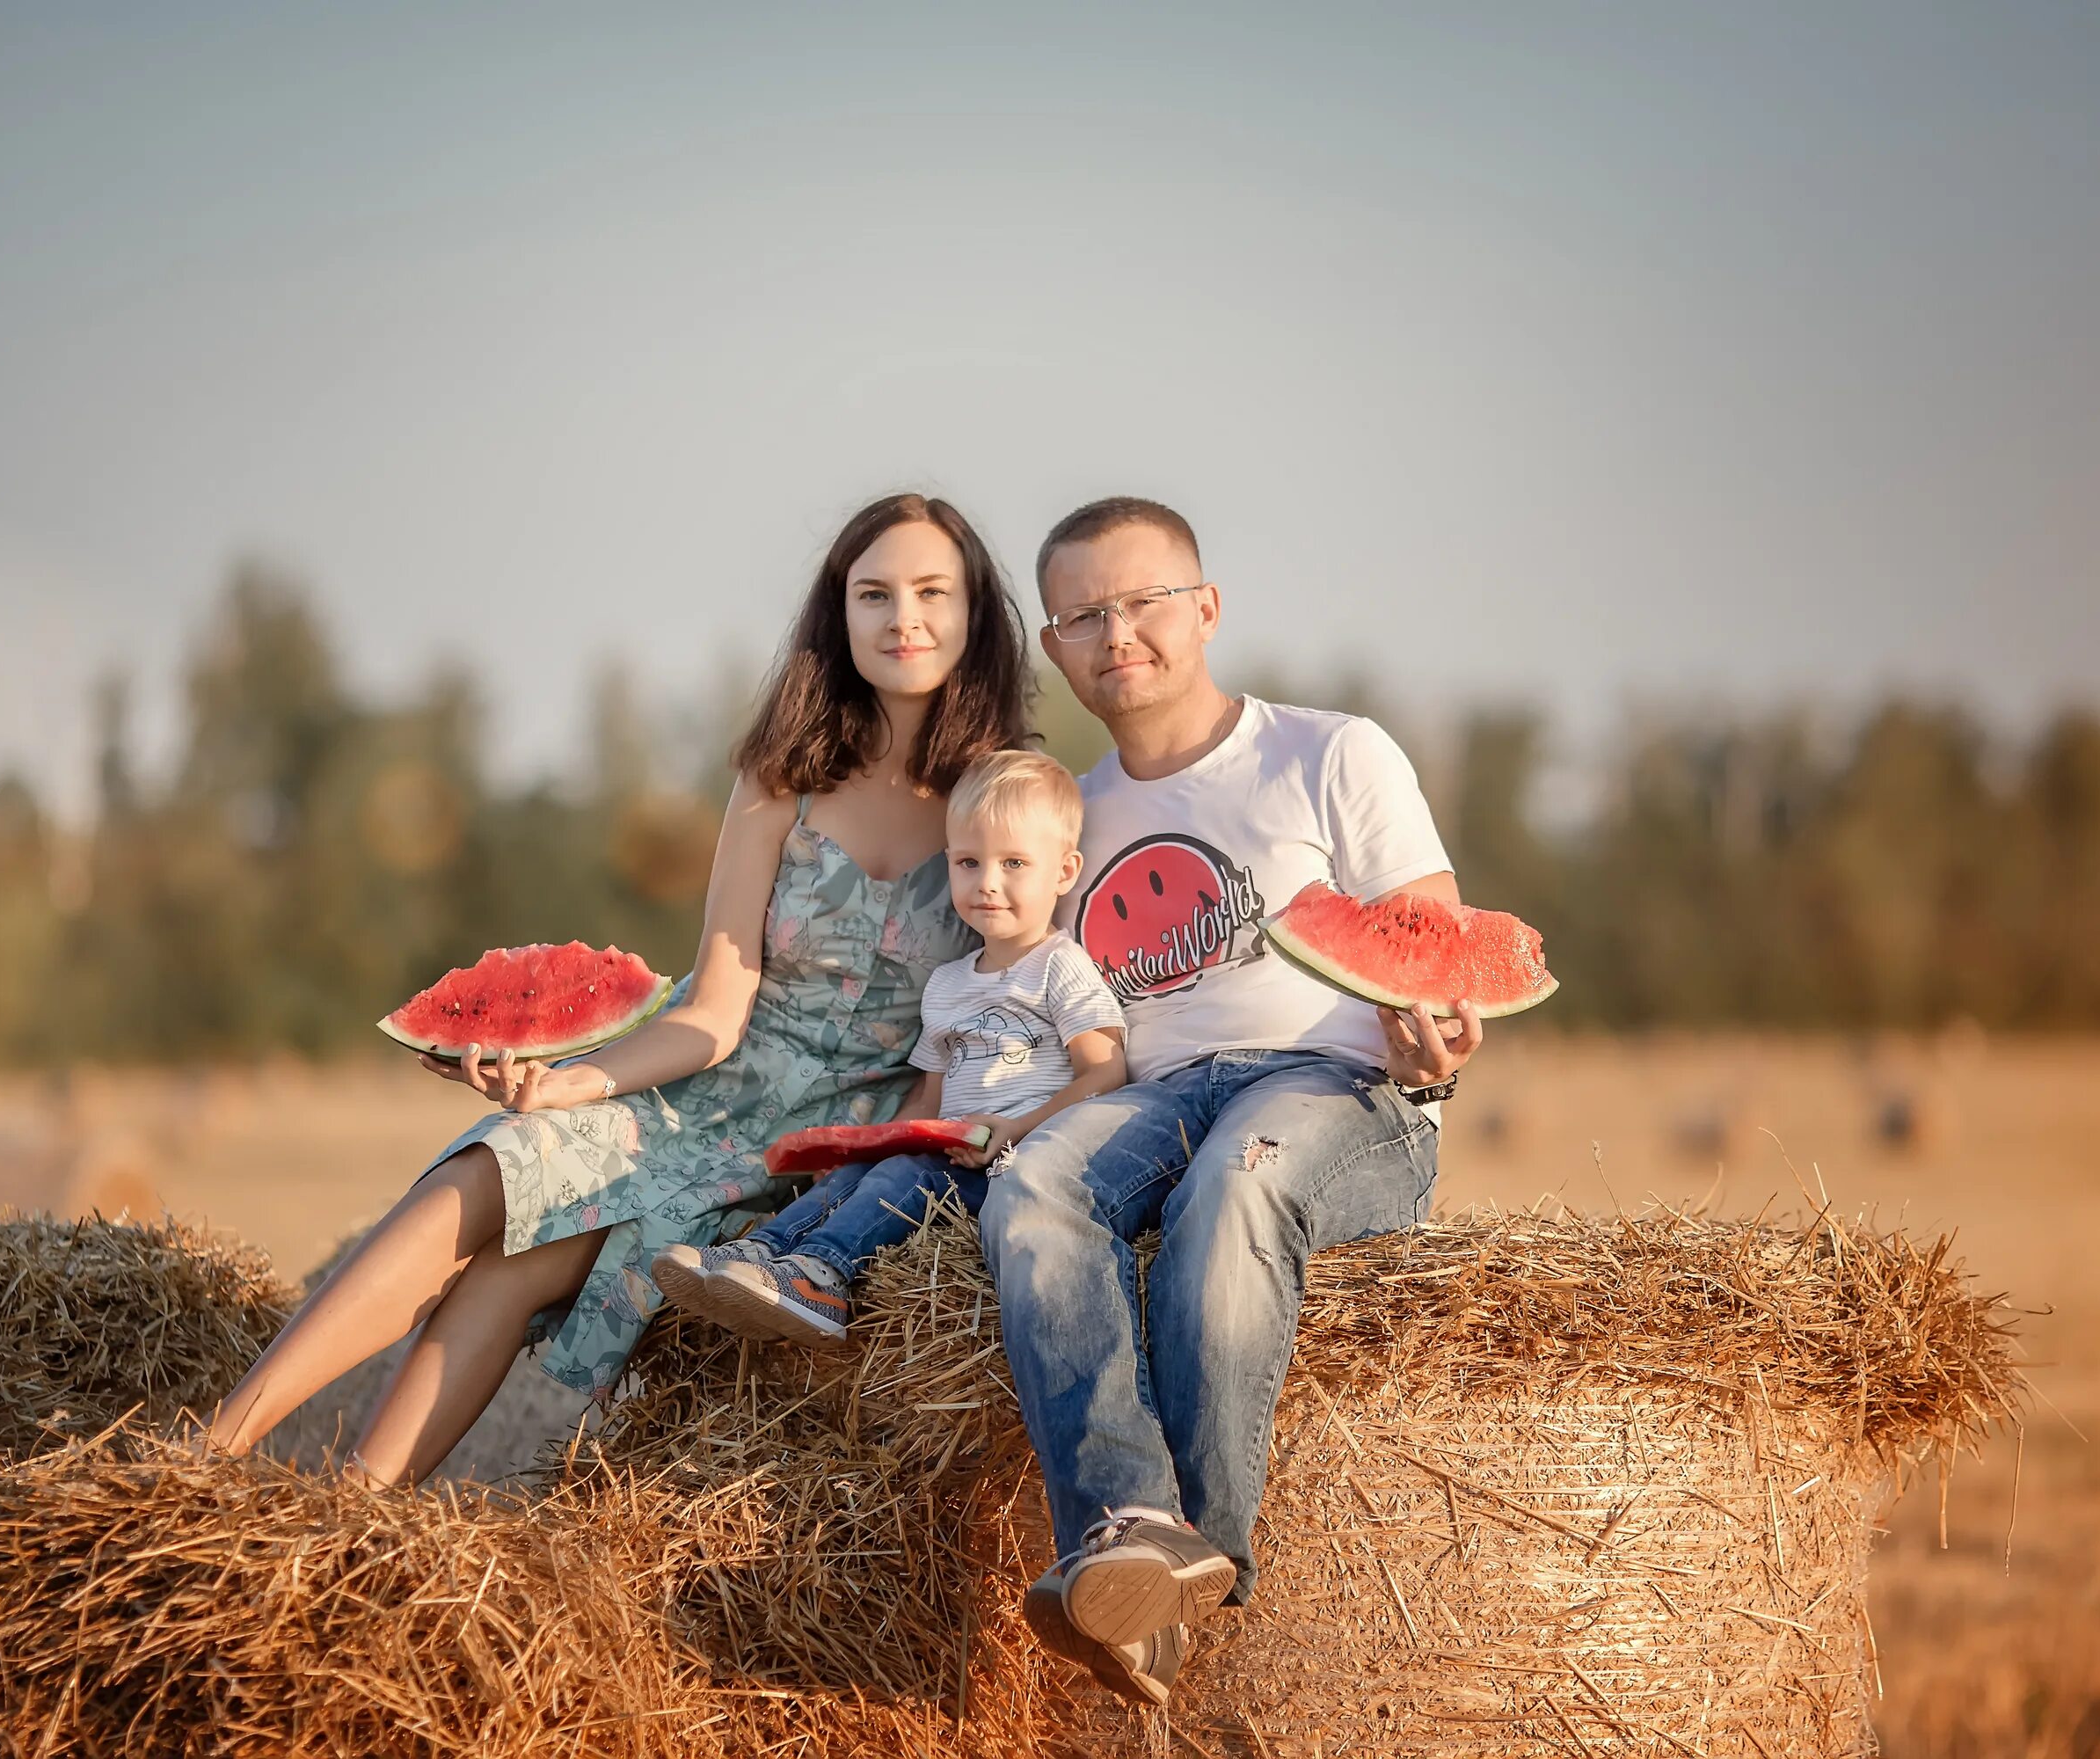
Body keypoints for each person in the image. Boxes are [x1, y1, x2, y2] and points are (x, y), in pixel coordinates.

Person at [205, 493, 1031, 1485]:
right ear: (838, 614)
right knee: (484, 1174)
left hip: (833, 1157)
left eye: (934, 591)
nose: (906, 616)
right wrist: (570, 1081)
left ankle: (348, 1517)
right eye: (875, 593)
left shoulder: (1011, 797)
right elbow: (715, 1007)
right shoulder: (784, 775)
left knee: (509, 1268)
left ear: (976, 610)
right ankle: (207, 1465)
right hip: (707, 1097)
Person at [981, 496, 1487, 1708]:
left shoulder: (1330, 753)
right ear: (1056, 649)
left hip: (1338, 1090)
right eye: (1085, 615)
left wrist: (1441, 1048)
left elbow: (1439, 956)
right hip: (1157, 1100)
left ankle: (1203, 1564)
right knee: (1035, 1185)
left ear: (1206, 609)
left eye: (1147, 600)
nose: (1121, 634)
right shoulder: (1073, 820)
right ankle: (1127, 1532)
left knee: (1238, 1184)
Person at [652, 748, 1126, 1347]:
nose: (988, 884)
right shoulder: (950, 983)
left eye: (1014, 864)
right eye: (969, 862)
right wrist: (855, 1151)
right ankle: (759, 1254)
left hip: (1018, 1167)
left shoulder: (1060, 968)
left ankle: (824, 1274)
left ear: (1064, 872)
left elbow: (1105, 1071)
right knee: (864, 1171)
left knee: (903, 1175)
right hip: (953, 1153)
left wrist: (1019, 1127)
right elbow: (928, 1099)